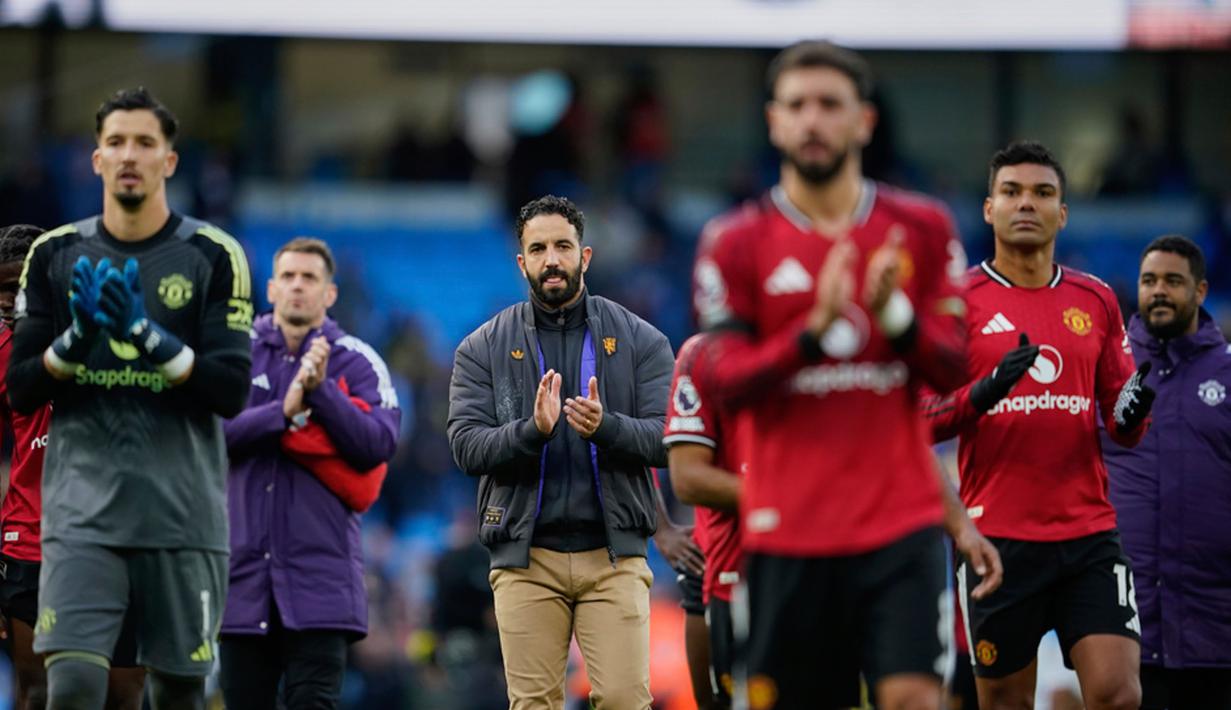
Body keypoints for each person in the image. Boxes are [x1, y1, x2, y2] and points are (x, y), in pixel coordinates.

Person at [691, 41, 1000, 710]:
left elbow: (953, 363)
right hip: (786, 530)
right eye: (796, 105)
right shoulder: (734, 240)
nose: (812, 121)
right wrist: (811, 333)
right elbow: (723, 380)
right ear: (773, 121)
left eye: (829, 105)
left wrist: (892, 314)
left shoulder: (917, 227)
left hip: (900, 523)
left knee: (916, 697)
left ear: (863, 121)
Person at [6, 87, 253, 710]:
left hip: (183, 517)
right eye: (115, 142)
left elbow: (229, 391)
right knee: (72, 687)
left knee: (177, 692)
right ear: (96, 160)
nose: (129, 155)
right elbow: (23, 385)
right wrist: (76, 340)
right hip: (80, 519)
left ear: (170, 160)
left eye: (145, 142)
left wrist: (147, 337)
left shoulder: (213, 255)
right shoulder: (54, 255)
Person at [924, 141, 1155, 710]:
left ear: (1063, 212)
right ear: (988, 208)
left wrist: (1133, 413)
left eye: (1042, 193)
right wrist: (983, 393)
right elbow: (918, 420)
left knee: (1120, 695)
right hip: (996, 539)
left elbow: (1122, 421)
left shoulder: (1095, 298)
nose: (1026, 203)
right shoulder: (956, 303)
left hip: (1089, 535)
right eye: (1012, 192)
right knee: (1005, 703)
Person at [447, 195, 674, 709]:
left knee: (623, 700)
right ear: (521, 261)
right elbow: (465, 446)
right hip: (526, 560)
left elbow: (669, 438)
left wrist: (606, 427)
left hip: (613, 557)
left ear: (585, 256)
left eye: (563, 246)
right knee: (534, 705)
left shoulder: (643, 341)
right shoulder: (480, 348)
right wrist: (532, 431)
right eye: (539, 248)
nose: (552, 259)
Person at [218, 237, 400, 709]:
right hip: (241, 582)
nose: (299, 286)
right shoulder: (235, 353)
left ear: (330, 294)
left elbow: (378, 445)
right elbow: (204, 436)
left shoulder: (356, 360)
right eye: (289, 277)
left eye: (310, 278)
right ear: (272, 288)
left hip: (321, 585)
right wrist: (283, 412)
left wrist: (323, 394)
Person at [0, 225, 147, 710]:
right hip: (29, 542)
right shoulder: (2, 349)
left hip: (116, 540)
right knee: (37, 693)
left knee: (122, 695)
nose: (7, 301)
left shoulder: (116, 333)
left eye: (16, 287)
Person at [1103, 235, 1231, 710]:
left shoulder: (1228, 375)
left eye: (1173, 282)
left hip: (1215, 626)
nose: (1159, 291)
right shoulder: (1108, 368)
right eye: (1149, 281)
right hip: (1124, 624)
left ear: (1200, 291)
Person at [664, 332, 747, 710]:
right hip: (726, 567)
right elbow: (685, 477)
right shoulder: (701, 357)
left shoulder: (825, 349)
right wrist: (660, 528)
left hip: (822, 560)